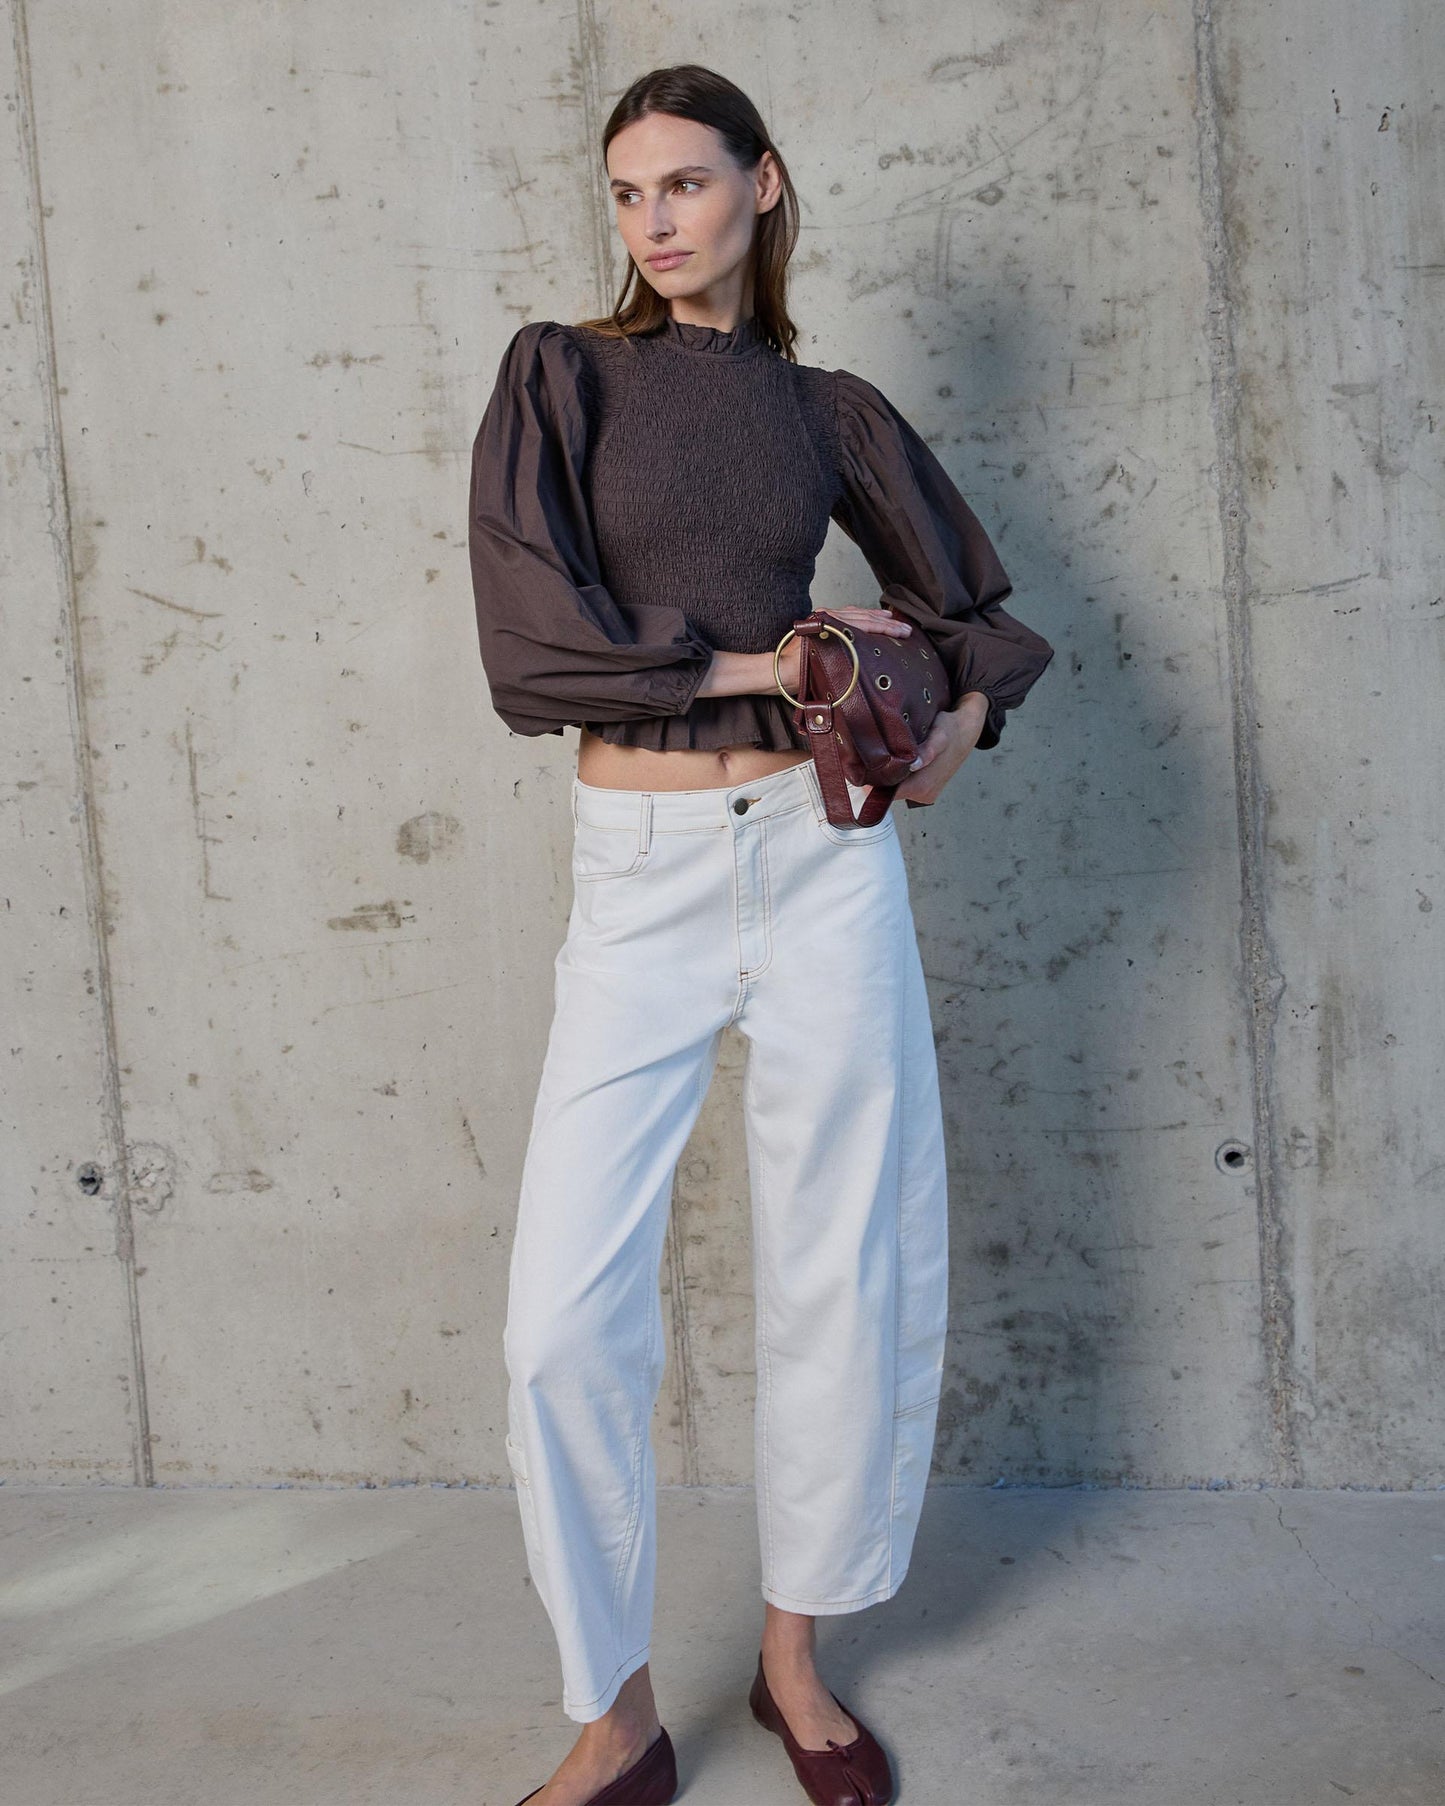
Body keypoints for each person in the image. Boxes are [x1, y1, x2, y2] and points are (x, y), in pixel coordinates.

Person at [467, 63, 1054, 1806]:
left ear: (765, 188)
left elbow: (974, 620)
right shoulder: (559, 380)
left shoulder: (826, 411)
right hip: (638, 866)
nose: (654, 222)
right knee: (560, 1319)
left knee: (840, 1264)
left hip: (818, 864)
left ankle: (798, 1664)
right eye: (630, 193)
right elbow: (533, 649)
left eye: (688, 185)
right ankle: (618, 1711)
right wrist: (768, 660)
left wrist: (949, 718)